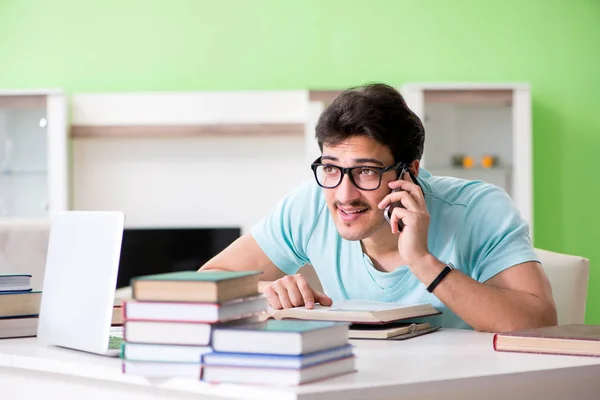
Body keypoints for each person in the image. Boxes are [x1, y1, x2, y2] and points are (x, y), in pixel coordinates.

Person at [199, 83, 557, 332]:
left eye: (366, 171)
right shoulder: (309, 204)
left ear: (410, 171)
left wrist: (422, 261)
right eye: (331, 168)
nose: (344, 194)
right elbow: (205, 280)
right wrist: (265, 291)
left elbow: (539, 322)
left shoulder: (478, 209)